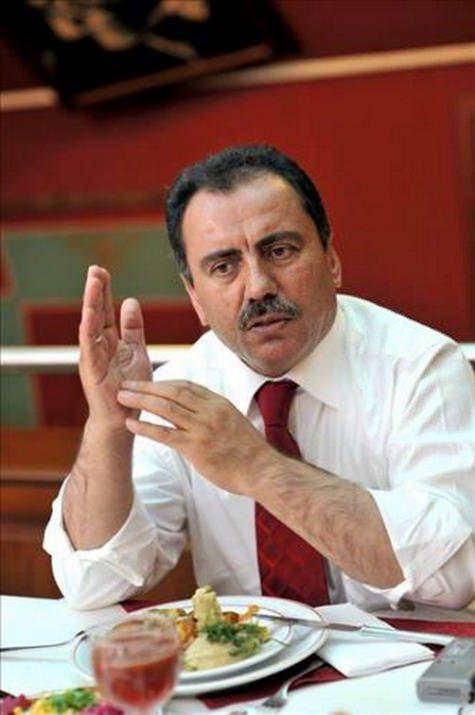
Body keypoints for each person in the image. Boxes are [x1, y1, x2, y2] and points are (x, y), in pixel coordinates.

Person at [44, 144, 475, 611]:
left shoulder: (421, 367)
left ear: (331, 260)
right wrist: (108, 428)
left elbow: (455, 577)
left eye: (280, 251)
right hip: (247, 655)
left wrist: (259, 468)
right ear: (195, 296)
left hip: (400, 654)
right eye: (223, 266)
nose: (258, 286)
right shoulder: (183, 388)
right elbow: (92, 582)